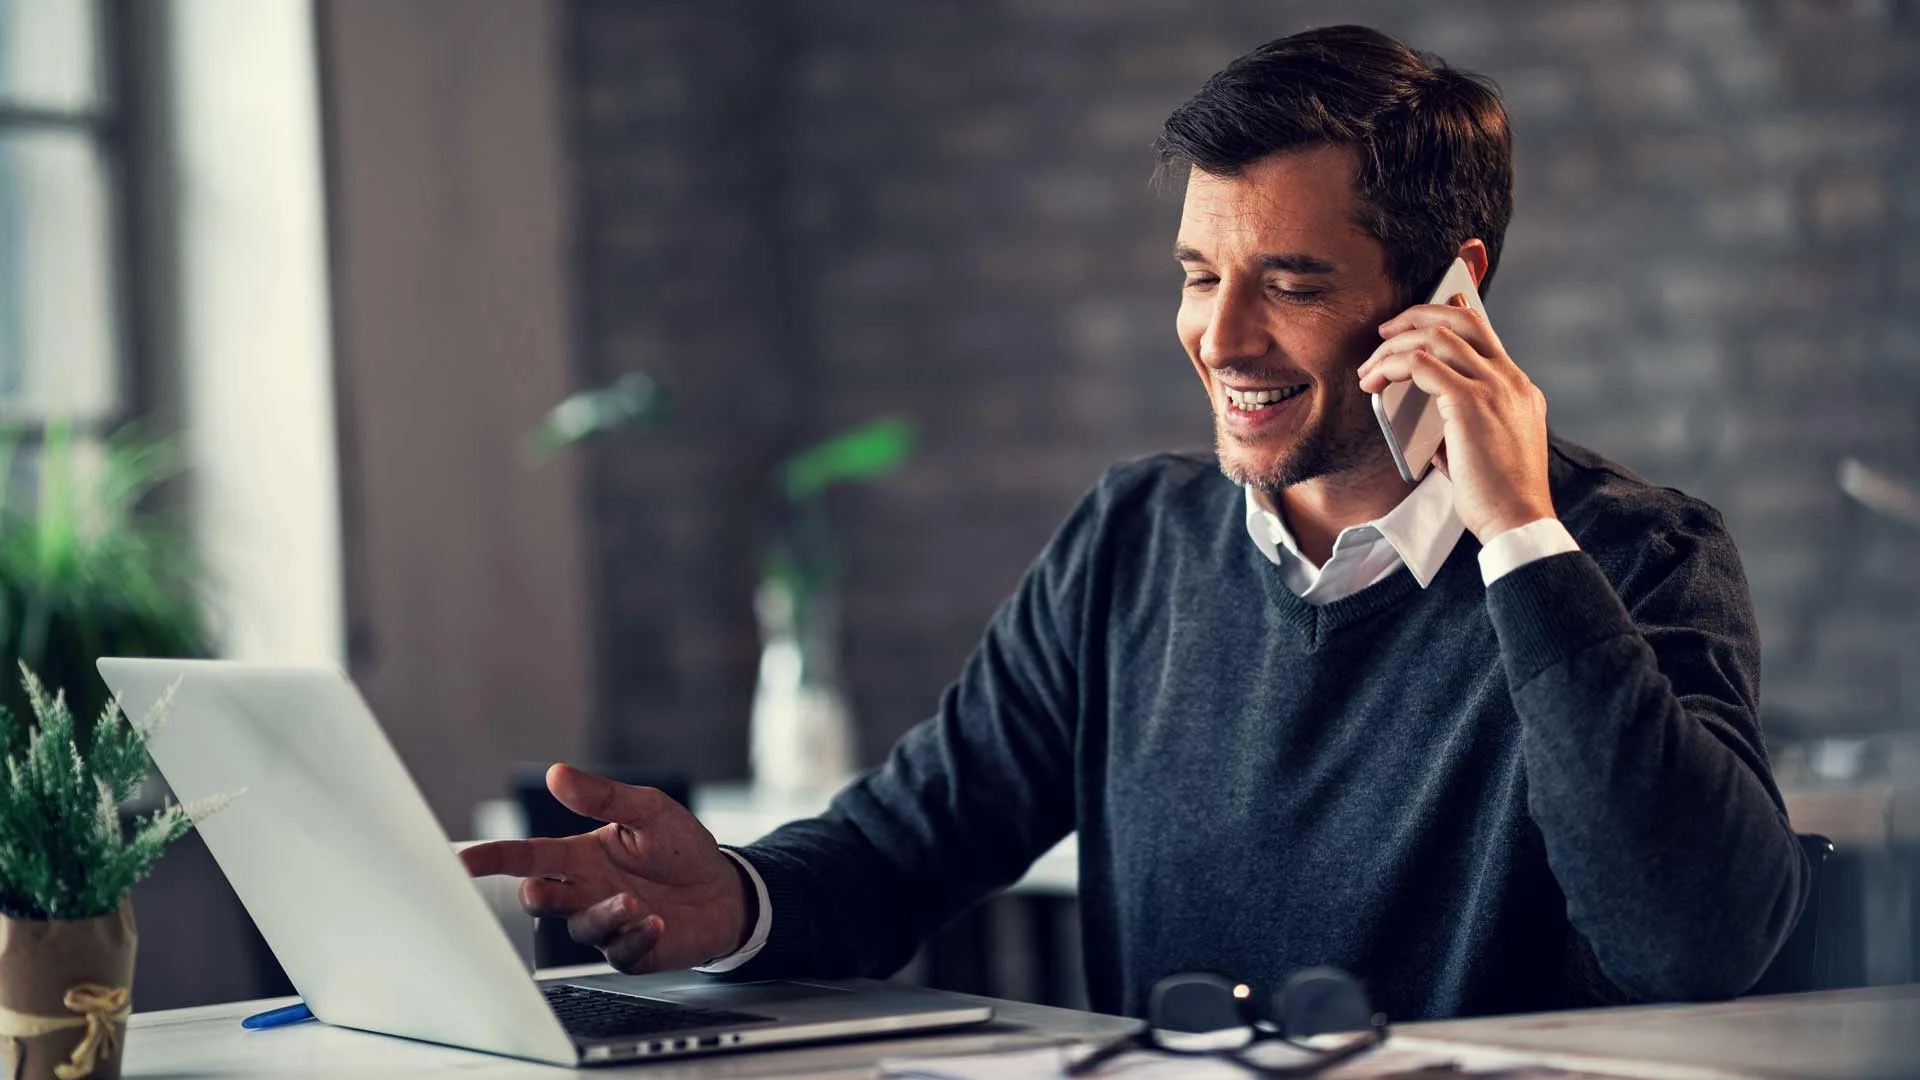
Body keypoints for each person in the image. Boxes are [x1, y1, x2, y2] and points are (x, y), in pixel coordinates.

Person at [462, 24, 1806, 1021]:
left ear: (1452, 291)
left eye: (1287, 281)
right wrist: (733, 902)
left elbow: (1694, 945)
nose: (1219, 337)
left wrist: (1518, 531)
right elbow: (903, 846)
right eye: (1198, 273)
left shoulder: (1630, 557)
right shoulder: (1131, 544)